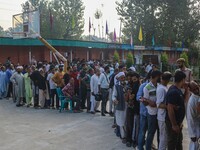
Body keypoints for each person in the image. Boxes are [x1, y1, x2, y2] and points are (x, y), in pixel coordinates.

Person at [165, 71, 188, 150]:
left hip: (178, 123)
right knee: (172, 143)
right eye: (185, 80)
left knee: (178, 142)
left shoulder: (177, 90)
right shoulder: (174, 91)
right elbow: (170, 108)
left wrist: (187, 90)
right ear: (182, 80)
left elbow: (182, 101)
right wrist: (174, 124)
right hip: (173, 123)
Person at [142, 70, 162, 150]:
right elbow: (145, 101)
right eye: (159, 77)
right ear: (155, 77)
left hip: (159, 113)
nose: (160, 78)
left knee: (160, 133)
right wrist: (151, 103)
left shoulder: (159, 86)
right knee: (151, 133)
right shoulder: (147, 87)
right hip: (152, 114)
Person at [156, 72, 172, 150]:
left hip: (164, 116)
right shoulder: (161, 89)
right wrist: (170, 107)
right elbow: (159, 104)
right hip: (162, 117)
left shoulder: (164, 87)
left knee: (163, 137)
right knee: (163, 138)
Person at [125, 72, 140, 148]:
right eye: (131, 78)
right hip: (130, 107)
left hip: (138, 108)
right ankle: (128, 140)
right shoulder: (128, 86)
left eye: (134, 79)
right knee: (129, 125)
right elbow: (127, 98)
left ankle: (135, 141)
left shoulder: (140, 86)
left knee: (137, 126)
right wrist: (129, 94)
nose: (132, 80)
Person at [112, 72, 127, 141]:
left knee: (126, 122)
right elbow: (114, 95)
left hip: (127, 106)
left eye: (124, 77)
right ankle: (123, 136)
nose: (123, 79)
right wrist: (115, 100)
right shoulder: (116, 86)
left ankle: (126, 135)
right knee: (121, 122)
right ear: (119, 78)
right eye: (122, 78)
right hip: (120, 106)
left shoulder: (127, 84)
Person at [187, 81, 200, 150]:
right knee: (194, 144)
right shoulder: (191, 102)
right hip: (195, 127)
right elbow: (190, 118)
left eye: (197, 87)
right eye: (194, 89)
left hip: (198, 123)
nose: (197, 90)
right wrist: (192, 134)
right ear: (191, 90)